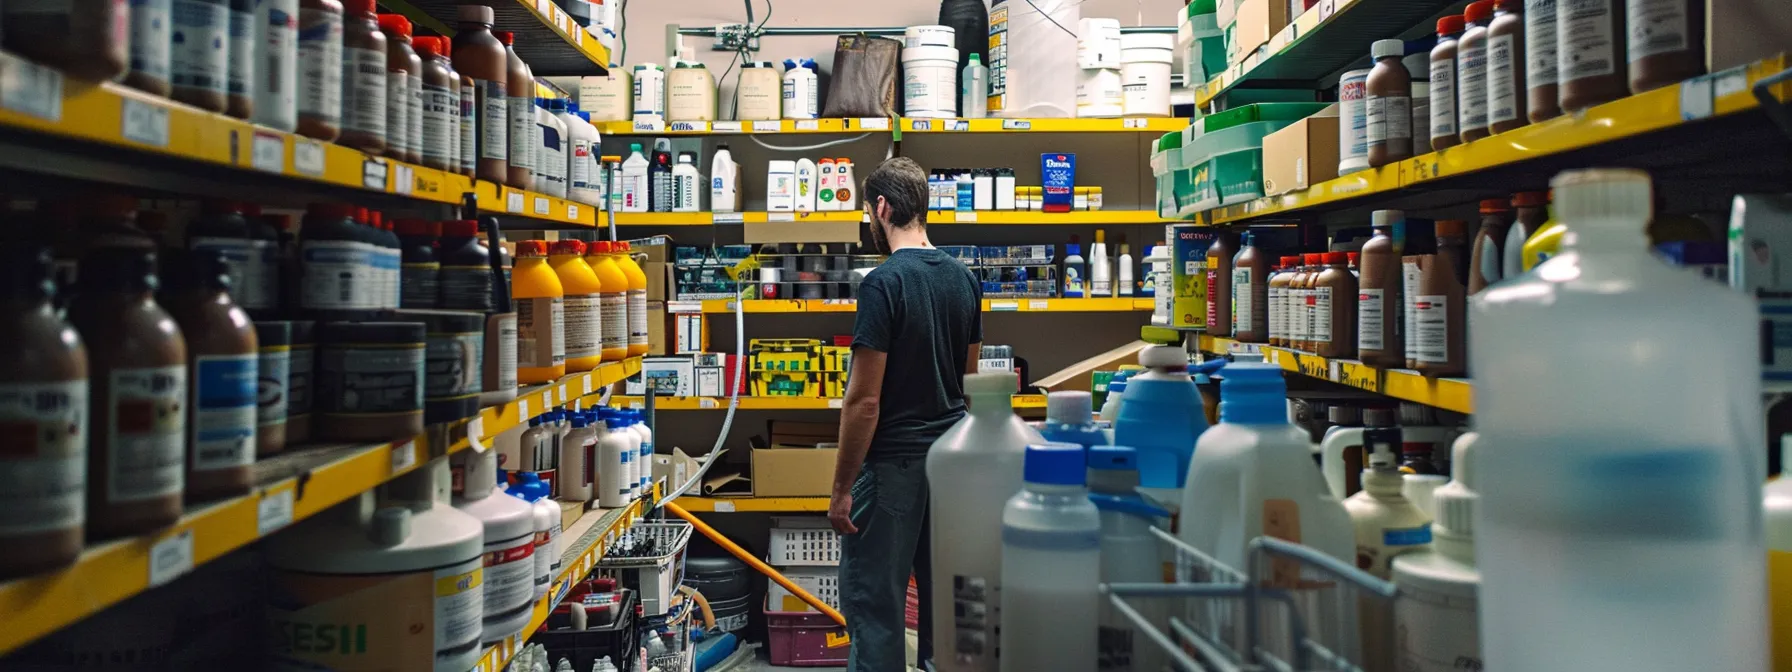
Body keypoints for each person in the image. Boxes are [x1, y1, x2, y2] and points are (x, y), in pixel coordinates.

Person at [830, 157, 982, 672]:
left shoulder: (883, 283)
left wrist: (841, 488)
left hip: (894, 467)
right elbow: (968, 383)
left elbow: (864, 401)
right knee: (946, 607)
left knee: (877, 608)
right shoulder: (964, 279)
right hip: (952, 468)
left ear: (882, 208)